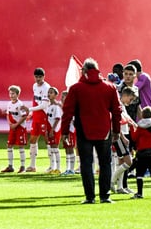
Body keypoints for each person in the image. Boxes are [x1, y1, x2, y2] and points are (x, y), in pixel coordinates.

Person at [61, 58, 122, 204]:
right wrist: (116, 130)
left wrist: (65, 132)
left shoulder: (76, 88)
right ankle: (105, 196)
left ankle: (90, 197)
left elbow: (68, 111)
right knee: (105, 164)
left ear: (84, 71)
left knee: (86, 164)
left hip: (84, 131)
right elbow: (116, 111)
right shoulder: (110, 87)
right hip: (105, 131)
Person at [130, 107, 151, 199]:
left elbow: (134, 138)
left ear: (142, 115)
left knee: (139, 174)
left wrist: (132, 128)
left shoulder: (140, 127)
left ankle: (139, 193)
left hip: (142, 153)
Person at [27, 68, 50, 172]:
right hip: (36, 116)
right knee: (32, 140)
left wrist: (29, 109)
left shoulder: (46, 88)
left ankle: (52, 165)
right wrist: (31, 113)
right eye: (36, 77)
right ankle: (32, 166)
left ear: (43, 77)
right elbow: (36, 101)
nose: (38, 79)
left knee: (48, 140)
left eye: (40, 77)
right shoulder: (34, 86)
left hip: (45, 115)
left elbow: (44, 105)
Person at [2, 85, 29, 173]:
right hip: (12, 128)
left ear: (17, 94)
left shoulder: (20, 104)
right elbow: (7, 114)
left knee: (21, 146)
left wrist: (16, 124)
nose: (11, 95)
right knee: (9, 145)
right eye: (10, 93)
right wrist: (10, 123)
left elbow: (24, 116)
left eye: (13, 93)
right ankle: (10, 166)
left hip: (20, 127)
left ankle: (22, 167)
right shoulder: (9, 104)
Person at [46, 87, 63, 174]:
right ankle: (53, 167)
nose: (49, 94)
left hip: (55, 129)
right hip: (50, 129)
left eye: (51, 93)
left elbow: (57, 119)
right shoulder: (49, 106)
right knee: (51, 148)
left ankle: (58, 168)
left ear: (56, 95)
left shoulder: (56, 107)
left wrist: (52, 130)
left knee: (55, 148)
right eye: (49, 92)